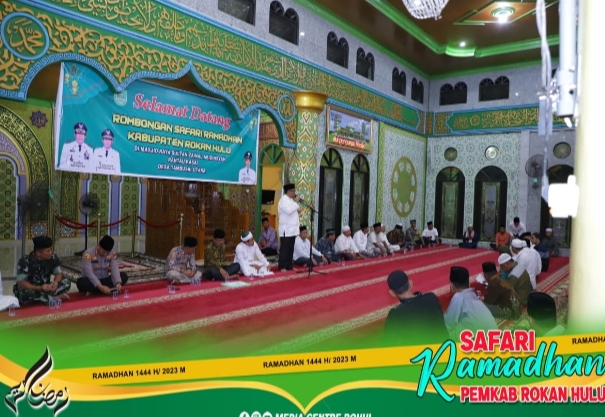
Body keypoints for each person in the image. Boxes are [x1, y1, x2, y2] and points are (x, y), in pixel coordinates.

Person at [382, 270, 449, 347]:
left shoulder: (396, 314)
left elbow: (387, 344)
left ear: (392, 293)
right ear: (411, 283)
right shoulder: (431, 297)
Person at [13, 236, 72, 306]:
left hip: (46, 288)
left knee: (66, 282)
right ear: (38, 253)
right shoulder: (25, 261)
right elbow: (21, 283)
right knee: (23, 294)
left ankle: (44, 298)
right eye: (48, 251)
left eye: (51, 250)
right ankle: (53, 297)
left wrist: (55, 282)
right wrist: (39, 288)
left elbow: (58, 273)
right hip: (32, 289)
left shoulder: (53, 257)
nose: (51, 252)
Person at [443, 266, 498, 338]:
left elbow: (447, 324)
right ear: (468, 284)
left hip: (479, 341)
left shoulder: (458, 297)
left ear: (452, 286)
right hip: (494, 337)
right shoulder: (474, 296)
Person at [277, 183, 301, 272]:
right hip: (286, 229)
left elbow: (294, 212)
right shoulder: (283, 200)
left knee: (291, 248)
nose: (294, 193)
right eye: (293, 191)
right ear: (288, 191)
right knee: (285, 249)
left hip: (292, 229)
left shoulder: (291, 200)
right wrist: (296, 202)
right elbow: (288, 211)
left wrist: (299, 212)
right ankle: (282, 266)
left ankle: (289, 265)